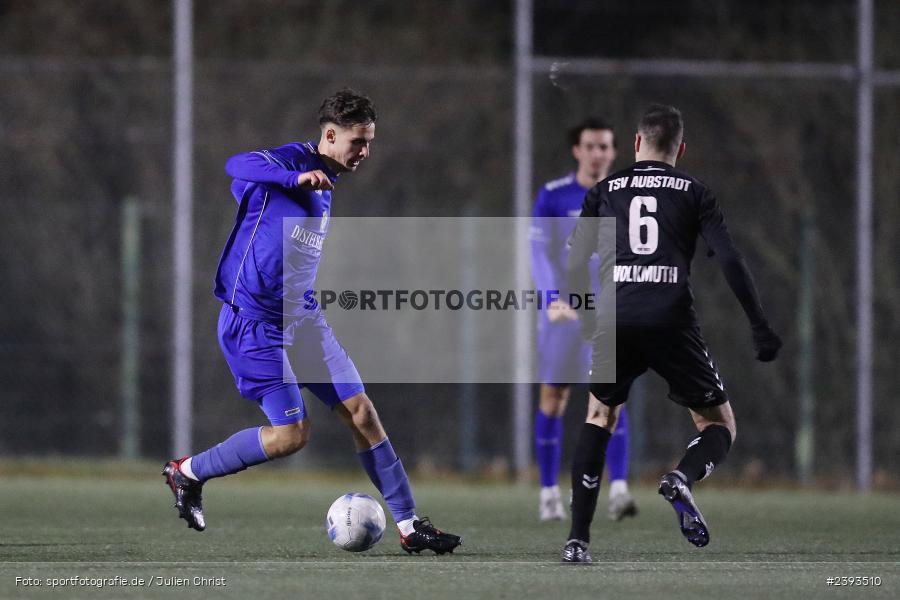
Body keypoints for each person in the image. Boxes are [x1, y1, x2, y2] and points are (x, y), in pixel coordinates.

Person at [162, 89, 461, 555]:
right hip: (253, 324)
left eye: (369, 142)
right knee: (291, 436)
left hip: (302, 319)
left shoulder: (327, 183)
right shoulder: (292, 163)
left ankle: (409, 526)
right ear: (330, 135)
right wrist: (293, 176)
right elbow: (237, 165)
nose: (365, 152)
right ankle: (187, 473)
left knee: (362, 413)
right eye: (358, 142)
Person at [560, 104, 782, 563]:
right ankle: (681, 477)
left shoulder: (605, 190)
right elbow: (730, 259)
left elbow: (574, 261)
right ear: (680, 149)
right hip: (671, 319)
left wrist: (586, 319)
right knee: (719, 424)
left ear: (636, 143)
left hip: (616, 317)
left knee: (599, 416)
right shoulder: (695, 192)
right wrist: (759, 325)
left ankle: (577, 542)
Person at [530, 118, 637, 522]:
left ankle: (620, 490)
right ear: (577, 150)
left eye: (604, 146)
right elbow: (538, 253)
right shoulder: (554, 196)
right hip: (564, 317)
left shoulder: (626, 196)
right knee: (553, 400)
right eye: (590, 146)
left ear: (613, 152)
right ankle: (548, 493)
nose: (597, 153)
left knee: (611, 399)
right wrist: (551, 299)